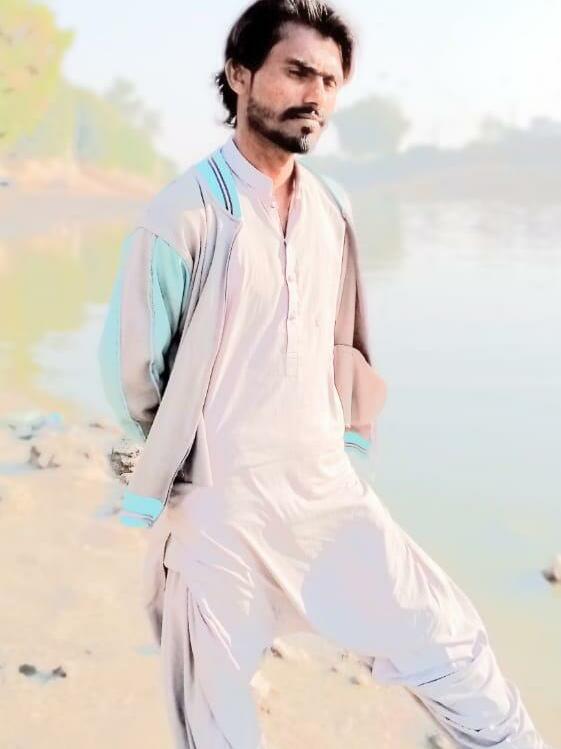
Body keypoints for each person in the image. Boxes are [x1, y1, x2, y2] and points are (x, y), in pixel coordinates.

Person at [98, 2, 553, 747]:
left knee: (451, 646)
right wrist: (182, 463)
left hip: (326, 494)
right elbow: (136, 375)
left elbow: (347, 340)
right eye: (297, 72)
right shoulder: (182, 216)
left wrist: (346, 438)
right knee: (213, 722)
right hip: (219, 512)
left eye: (330, 81)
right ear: (240, 75)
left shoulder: (332, 209)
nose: (315, 94)